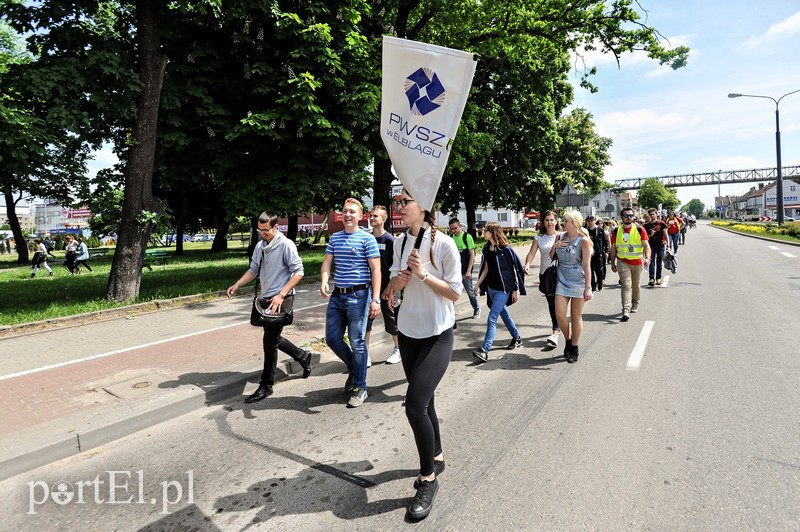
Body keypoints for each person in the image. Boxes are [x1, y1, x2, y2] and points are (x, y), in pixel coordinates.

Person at [384, 190, 461, 520]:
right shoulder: (400, 243)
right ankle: (438, 454)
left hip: (437, 336)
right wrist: (395, 286)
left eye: (405, 202)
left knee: (414, 405)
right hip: (408, 334)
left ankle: (427, 478)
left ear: (424, 207)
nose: (400, 207)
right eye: (398, 202)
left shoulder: (443, 244)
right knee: (426, 403)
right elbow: (392, 285)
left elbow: (455, 292)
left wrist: (424, 275)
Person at [226, 212, 313, 403]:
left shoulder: (286, 245)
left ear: (275, 227)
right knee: (274, 339)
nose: (262, 233)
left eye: (265, 230)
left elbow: (298, 272)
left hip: (280, 299)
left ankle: (266, 385)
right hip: (266, 299)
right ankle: (303, 356)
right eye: (260, 230)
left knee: (269, 342)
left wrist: (281, 294)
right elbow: (253, 269)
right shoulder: (260, 245)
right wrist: (237, 284)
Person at [320, 198, 381, 408]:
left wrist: (375, 299)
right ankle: (355, 369)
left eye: (352, 212)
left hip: (359, 296)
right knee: (332, 338)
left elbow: (376, 270)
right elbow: (327, 262)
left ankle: (361, 387)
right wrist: (324, 281)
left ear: (360, 216)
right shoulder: (335, 238)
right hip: (338, 295)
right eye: (345, 211)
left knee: (357, 342)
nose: (347, 215)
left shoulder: (367, 239)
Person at [472, 222, 526, 362]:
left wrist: (515, 289)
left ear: (493, 232)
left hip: (503, 290)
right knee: (505, 315)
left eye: (485, 231)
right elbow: (486, 268)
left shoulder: (506, 250)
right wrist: (477, 284)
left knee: (492, 318)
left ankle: (485, 350)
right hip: (491, 288)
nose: (483, 233)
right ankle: (517, 337)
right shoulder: (487, 249)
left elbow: (516, 268)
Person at [549, 211, 593, 363]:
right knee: (560, 315)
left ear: (574, 223)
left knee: (575, 316)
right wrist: (555, 246)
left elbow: (587, 265)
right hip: (561, 278)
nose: (563, 223)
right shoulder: (559, 237)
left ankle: (574, 347)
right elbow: (551, 257)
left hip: (578, 280)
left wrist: (588, 288)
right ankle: (568, 339)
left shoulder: (584, 241)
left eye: (565, 221)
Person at [365, 205, 401, 365]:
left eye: (375, 216)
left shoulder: (390, 240)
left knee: (391, 320)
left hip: (387, 286)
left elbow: (396, 267)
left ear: (384, 219)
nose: (372, 218)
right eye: (371, 216)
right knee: (366, 321)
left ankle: (398, 349)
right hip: (369, 287)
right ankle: (364, 353)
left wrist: (390, 289)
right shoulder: (366, 238)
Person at [524, 210, 562, 348]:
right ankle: (557, 328)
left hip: (561, 273)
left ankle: (556, 332)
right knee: (552, 304)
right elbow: (532, 252)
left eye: (552, 220)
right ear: (543, 222)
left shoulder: (562, 236)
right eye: (547, 220)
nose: (549, 222)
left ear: (556, 221)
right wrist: (527, 264)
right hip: (546, 274)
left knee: (559, 304)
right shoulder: (539, 237)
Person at [609, 207, 651, 322]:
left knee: (636, 285)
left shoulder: (640, 229)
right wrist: (612, 262)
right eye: (626, 215)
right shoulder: (616, 231)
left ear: (633, 217)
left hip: (637, 262)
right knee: (626, 285)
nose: (628, 217)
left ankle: (635, 302)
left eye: (630, 215)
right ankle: (625, 309)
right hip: (623, 261)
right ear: (622, 217)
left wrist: (647, 258)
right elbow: (613, 248)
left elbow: (646, 246)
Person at [448, 218, 481, 320]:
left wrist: (468, 271)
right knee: (451, 293)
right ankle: (450, 314)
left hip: (465, 271)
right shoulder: (450, 238)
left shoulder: (467, 237)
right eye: (451, 229)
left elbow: (472, 255)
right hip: (454, 272)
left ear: (460, 226)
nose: (453, 231)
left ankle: (476, 308)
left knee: (470, 292)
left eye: (455, 228)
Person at [585, 215, 609, 292]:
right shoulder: (585, 231)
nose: (590, 222)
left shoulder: (600, 230)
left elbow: (606, 241)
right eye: (588, 221)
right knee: (590, 270)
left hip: (599, 253)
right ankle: (593, 285)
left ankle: (600, 281)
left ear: (595, 221)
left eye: (591, 220)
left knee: (599, 270)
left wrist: (606, 251)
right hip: (589, 253)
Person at [644, 208, 667, 286]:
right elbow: (645, 237)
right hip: (651, 246)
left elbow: (665, 234)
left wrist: (668, 244)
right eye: (650, 214)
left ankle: (658, 278)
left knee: (659, 263)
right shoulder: (646, 225)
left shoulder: (661, 224)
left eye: (653, 214)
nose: (652, 216)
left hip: (660, 245)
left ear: (656, 214)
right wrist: (651, 234)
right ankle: (651, 278)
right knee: (651, 262)